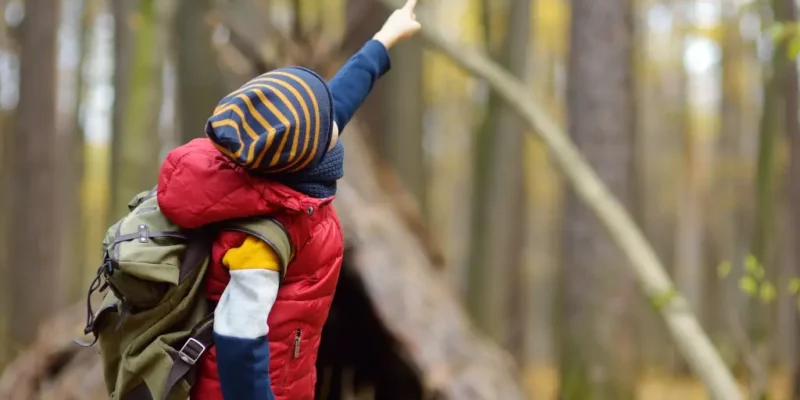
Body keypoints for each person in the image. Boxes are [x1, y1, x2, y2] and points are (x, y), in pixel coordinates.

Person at [154, 1, 422, 399]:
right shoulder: (263, 240)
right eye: (327, 121)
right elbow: (238, 338)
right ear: (307, 153)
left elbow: (341, 97)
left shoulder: (290, 164)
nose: (337, 119)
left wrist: (385, 38)